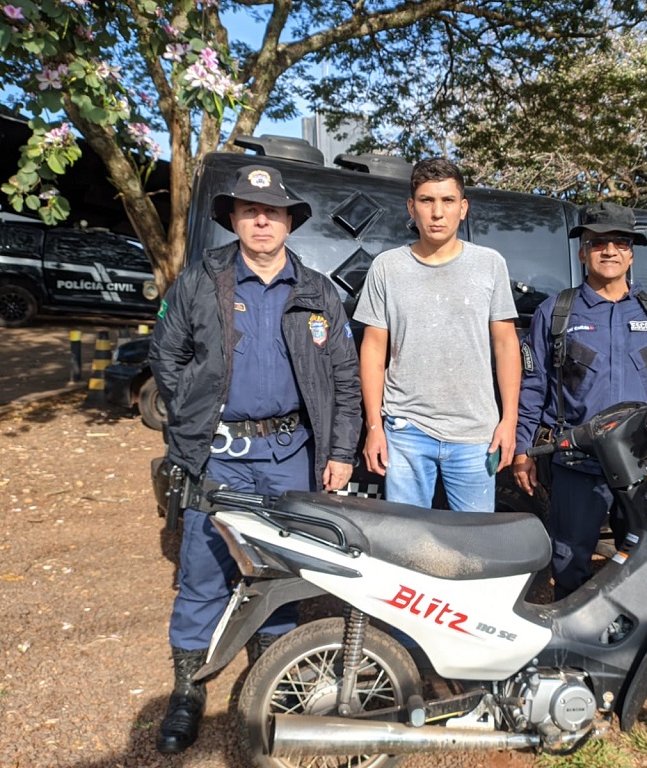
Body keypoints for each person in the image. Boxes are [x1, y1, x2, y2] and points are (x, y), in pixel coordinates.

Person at [148, 165, 362, 753]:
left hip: (290, 456)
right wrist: (193, 416)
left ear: (289, 222)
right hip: (218, 456)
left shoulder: (317, 291)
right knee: (203, 570)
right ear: (234, 220)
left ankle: (275, 682)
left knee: (279, 573)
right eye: (249, 210)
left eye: (272, 212)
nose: (261, 221)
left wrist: (341, 451)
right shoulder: (201, 280)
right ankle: (188, 690)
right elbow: (165, 355)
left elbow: (345, 379)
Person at [513, 201, 647, 599]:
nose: (609, 251)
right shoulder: (556, 312)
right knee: (569, 560)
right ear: (583, 253)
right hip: (575, 463)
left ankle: (635, 633)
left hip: (642, 462)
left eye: (620, 243)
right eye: (598, 243)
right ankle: (573, 633)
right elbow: (533, 387)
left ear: (631, 254)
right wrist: (522, 450)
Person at [354, 157, 520, 512]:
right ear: (411, 208)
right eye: (427, 200)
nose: (437, 212)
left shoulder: (490, 264)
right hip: (405, 430)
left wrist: (509, 421)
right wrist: (374, 426)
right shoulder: (387, 267)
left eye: (448, 201)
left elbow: (507, 345)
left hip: (476, 434)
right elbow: (373, 351)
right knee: (407, 536)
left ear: (463, 208)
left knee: (474, 539)